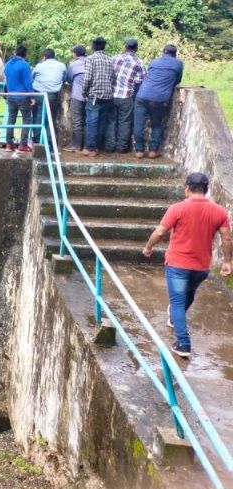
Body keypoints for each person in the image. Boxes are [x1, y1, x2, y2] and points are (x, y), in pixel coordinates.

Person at [142, 173, 232, 357]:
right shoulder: (219, 212)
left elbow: (160, 232)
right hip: (201, 268)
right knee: (188, 295)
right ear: (206, 190)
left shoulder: (177, 208)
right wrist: (228, 261)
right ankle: (176, 320)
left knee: (176, 302)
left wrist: (148, 246)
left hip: (177, 265)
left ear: (187, 188)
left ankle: (183, 343)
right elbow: (227, 237)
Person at [134, 44, 184, 159]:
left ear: (163, 52)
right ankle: (153, 151)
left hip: (142, 95)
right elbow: (178, 80)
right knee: (156, 124)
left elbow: (149, 75)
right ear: (175, 54)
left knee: (138, 124)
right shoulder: (178, 64)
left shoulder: (154, 62)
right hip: (159, 99)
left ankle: (139, 151)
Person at [110, 38, 146, 153]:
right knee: (124, 122)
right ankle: (121, 147)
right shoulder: (139, 62)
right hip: (127, 96)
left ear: (125, 47)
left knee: (111, 121)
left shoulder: (115, 58)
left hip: (111, 95)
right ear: (136, 48)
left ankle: (109, 146)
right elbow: (141, 79)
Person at [81, 36, 115, 157]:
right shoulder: (110, 59)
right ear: (104, 46)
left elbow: (87, 78)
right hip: (108, 95)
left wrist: (84, 92)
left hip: (94, 95)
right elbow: (112, 78)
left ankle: (90, 148)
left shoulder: (90, 59)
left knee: (91, 122)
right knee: (101, 122)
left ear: (93, 46)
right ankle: (96, 147)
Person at [31, 48, 66, 147]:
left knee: (38, 117)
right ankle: (50, 144)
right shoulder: (61, 65)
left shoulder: (39, 66)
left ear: (44, 57)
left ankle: (37, 141)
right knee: (50, 118)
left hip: (38, 94)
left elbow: (32, 77)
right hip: (52, 95)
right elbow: (64, 79)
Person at [4, 44, 35, 152]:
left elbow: (6, 81)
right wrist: (32, 96)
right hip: (23, 96)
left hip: (11, 96)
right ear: (25, 54)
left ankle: (8, 144)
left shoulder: (7, 64)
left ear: (15, 53)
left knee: (11, 119)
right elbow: (28, 83)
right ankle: (23, 144)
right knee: (26, 120)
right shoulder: (24, 65)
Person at [64, 45, 88, 152]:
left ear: (75, 54)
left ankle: (77, 145)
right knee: (89, 121)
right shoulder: (90, 61)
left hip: (78, 95)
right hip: (91, 96)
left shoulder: (74, 64)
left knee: (77, 120)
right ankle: (87, 145)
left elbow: (68, 79)